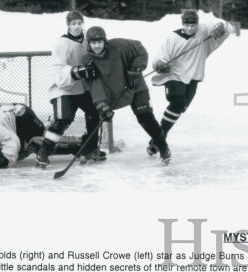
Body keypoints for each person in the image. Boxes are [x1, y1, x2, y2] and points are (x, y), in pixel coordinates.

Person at [84, 25, 171, 164]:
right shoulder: (88, 61)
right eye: (93, 43)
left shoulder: (119, 45)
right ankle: (91, 149)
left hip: (136, 86)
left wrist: (135, 69)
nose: (97, 46)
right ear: (89, 44)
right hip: (115, 92)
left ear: (104, 41)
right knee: (93, 114)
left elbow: (140, 50)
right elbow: (95, 86)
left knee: (145, 117)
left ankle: (163, 147)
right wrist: (103, 105)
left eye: (99, 42)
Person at [149, 9, 231, 153]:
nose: (190, 28)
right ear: (182, 24)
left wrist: (222, 26)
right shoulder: (172, 37)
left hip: (193, 77)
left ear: (197, 24)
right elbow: (160, 56)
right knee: (177, 102)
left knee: (180, 108)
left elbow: (226, 27)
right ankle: (160, 139)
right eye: (186, 25)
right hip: (173, 75)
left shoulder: (204, 31)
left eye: (193, 25)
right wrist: (160, 63)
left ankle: (156, 138)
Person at [36, 10, 104, 168]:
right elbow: (59, 72)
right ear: (68, 25)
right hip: (64, 89)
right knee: (63, 120)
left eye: (79, 23)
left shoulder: (88, 38)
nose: (77, 26)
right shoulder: (61, 43)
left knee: (95, 112)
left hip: (82, 88)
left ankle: (90, 148)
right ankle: (43, 153)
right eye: (73, 23)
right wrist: (79, 71)